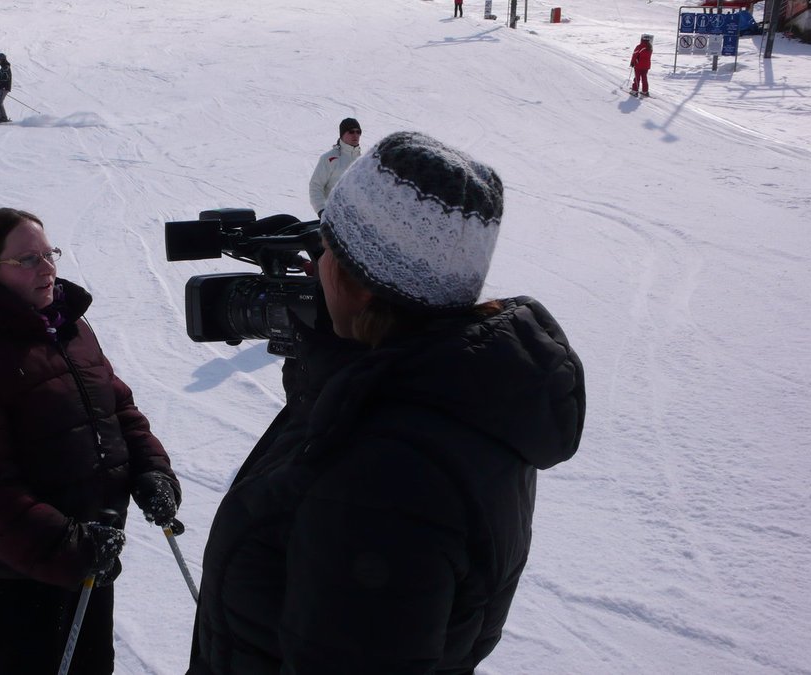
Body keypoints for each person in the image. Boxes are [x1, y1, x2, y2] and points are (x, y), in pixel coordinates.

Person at [188, 131, 585, 674]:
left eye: (325, 247)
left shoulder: (384, 479)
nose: (314, 264)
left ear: (359, 284)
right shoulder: (456, 397)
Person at [0, 208, 182, 675]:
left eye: (48, 253)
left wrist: (152, 470)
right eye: (27, 260)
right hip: (20, 572)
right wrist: (71, 548)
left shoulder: (68, 328)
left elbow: (117, 409)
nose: (48, 268)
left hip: (90, 552)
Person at [308, 118, 362, 217]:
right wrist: (322, 211)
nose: (355, 135)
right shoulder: (329, 158)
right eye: (351, 131)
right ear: (342, 134)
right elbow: (315, 186)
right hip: (334, 217)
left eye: (358, 132)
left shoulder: (363, 160)